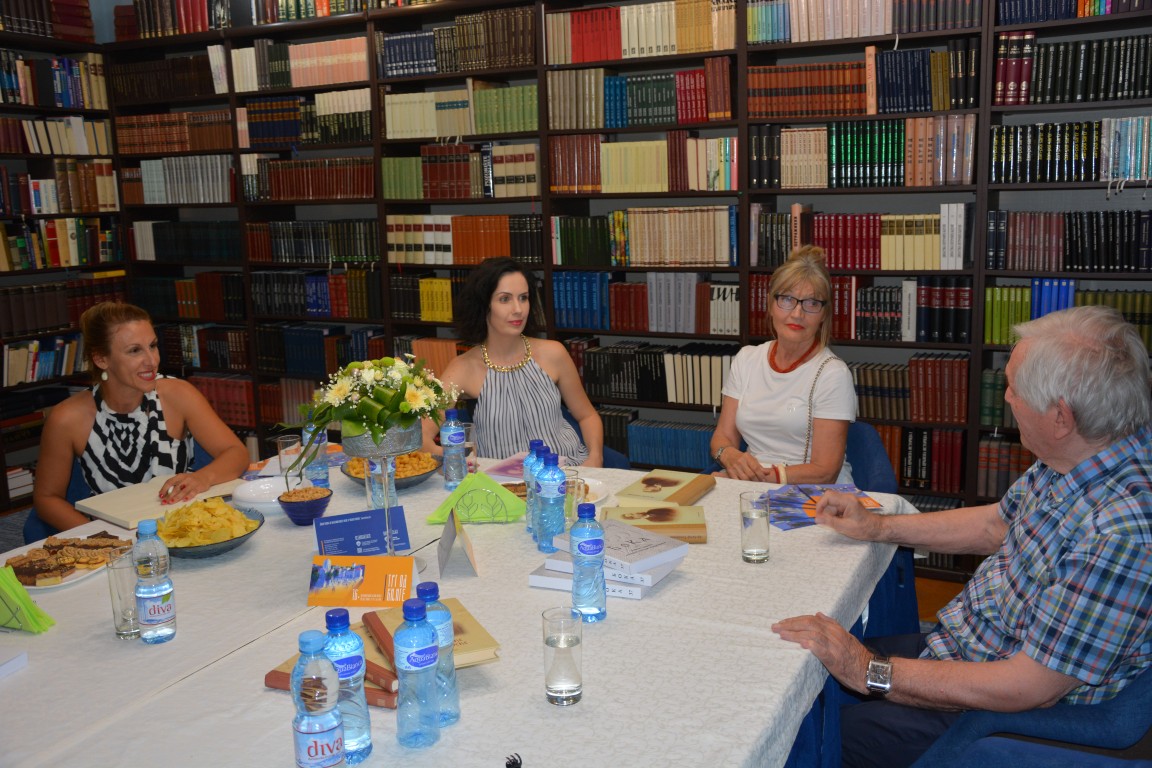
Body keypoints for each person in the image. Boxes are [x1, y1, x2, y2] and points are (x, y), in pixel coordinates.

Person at [773, 305, 1152, 768]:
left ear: (1060, 418)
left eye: (1014, 388)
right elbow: (997, 524)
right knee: (793, 671)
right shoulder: (1082, 454)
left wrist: (866, 670)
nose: (1006, 398)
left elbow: (1025, 687)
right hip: (963, 647)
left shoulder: (1121, 533)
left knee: (801, 739)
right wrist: (878, 527)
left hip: (982, 710)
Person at [31, 302, 250, 536]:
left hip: (183, 529)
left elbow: (237, 453)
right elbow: (46, 499)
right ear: (101, 359)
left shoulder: (179, 394)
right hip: (113, 536)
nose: (152, 360)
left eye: (152, 346)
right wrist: (102, 538)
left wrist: (203, 477)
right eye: (134, 351)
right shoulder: (66, 418)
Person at [421, 257, 604, 467]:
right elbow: (422, 437)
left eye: (523, 298)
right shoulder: (463, 367)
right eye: (505, 299)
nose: (518, 309)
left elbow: (587, 415)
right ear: (484, 305)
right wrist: (456, 459)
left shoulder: (554, 352)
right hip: (500, 481)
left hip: (565, 471)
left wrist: (595, 458)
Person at [709, 245, 855, 484]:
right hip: (754, 483)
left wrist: (757, 478)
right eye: (787, 299)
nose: (797, 313)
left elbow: (825, 471)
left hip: (815, 491)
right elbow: (723, 436)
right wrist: (730, 456)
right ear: (770, 304)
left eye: (811, 303)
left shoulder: (833, 374)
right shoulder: (746, 359)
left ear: (823, 315)